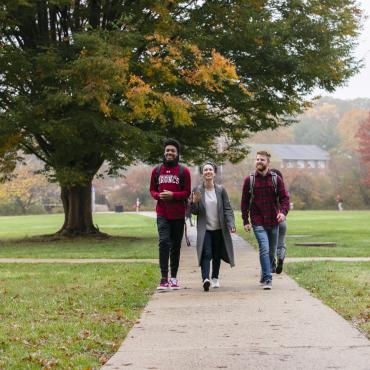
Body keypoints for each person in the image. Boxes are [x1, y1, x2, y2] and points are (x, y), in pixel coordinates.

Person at [241, 151, 289, 290]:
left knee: (271, 252)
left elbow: (284, 198)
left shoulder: (275, 179)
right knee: (264, 248)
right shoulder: (249, 180)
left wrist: (283, 213)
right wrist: (246, 220)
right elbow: (244, 202)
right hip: (258, 220)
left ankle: (264, 274)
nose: (259, 161)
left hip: (274, 221)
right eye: (257, 159)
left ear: (268, 162)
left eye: (262, 159)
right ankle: (268, 279)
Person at [150, 138, 191, 290]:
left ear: (177, 153)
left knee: (175, 246)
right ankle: (163, 278)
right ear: (164, 152)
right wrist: (158, 196)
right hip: (162, 213)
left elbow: (187, 192)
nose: (169, 153)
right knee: (163, 243)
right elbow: (152, 190)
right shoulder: (157, 170)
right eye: (167, 150)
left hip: (178, 215)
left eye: (172, 151)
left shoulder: (183, 171)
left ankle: (173, 278)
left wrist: (173, 195)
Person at [191, 161, 236, 292]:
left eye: (210, 169)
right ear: (202, 173)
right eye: (205, 170)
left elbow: (227, 208)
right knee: (207, 253)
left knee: (216, 254)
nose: (208, 171)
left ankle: (215, 278)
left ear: (214, 173)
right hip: (205, 229)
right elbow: (194, 211)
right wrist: (194, 203)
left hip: (219, 228)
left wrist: (231, 223)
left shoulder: (221, 190)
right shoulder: (197, 190)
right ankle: (206, 279)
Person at [270, 168, 288, 274]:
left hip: (269, 221)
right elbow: (285, 206)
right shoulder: (283, 192)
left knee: (269, 244)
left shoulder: (267, 191)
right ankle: (280, 257)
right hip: (281, 221)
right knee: (281, 243)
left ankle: (272, 265)